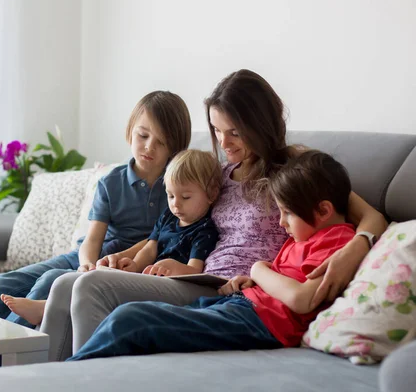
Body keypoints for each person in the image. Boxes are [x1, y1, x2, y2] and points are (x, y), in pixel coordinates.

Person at [38, 69, 388, 361]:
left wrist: (353, 251)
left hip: (229, 289)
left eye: (235, 132)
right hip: (199, 277)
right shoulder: (218, 175)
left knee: (91, 286)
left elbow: (370, 217)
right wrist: (128, 255)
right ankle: (37, 376)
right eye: (217, 130)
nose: (224, 142)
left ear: (260, 123)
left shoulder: (295, 170)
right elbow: (177, 227)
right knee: (66, 282)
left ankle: (78, 378)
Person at [0, 90, 192, 370]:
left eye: (161, 142)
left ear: (175, 148)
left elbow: (164, 236)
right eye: (143, 136)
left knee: (49, 284)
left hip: (123, 267)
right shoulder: (112, 181)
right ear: (130, 132)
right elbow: (92, 239)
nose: (149, 147)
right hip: (87, 259)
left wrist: (101, 269)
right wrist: (86, 265)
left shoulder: (178, 187)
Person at [68, 150, 357, 359]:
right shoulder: (301, 236)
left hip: (260, 323)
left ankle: (68, 376)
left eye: (288, 214)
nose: (281, 223)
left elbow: (301, 298)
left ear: (323, 211)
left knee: (131, 320)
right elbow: (281, 282)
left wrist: (258, 270)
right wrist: (247, 282)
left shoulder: (337, 240)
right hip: (241, 303)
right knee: (131, 318)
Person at [1, 149, 222, 324]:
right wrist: (133, 264)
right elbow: (149, 248)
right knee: (72, 279)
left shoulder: (204, 230)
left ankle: (45, 308)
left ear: (211, 194)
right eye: (171, 195)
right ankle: (45, 307)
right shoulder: (168, 217)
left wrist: (173, 266)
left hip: (165, 285)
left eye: (185, 197)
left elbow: (194, 270)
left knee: (93, 285)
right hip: (146, 276)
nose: (175, 204)